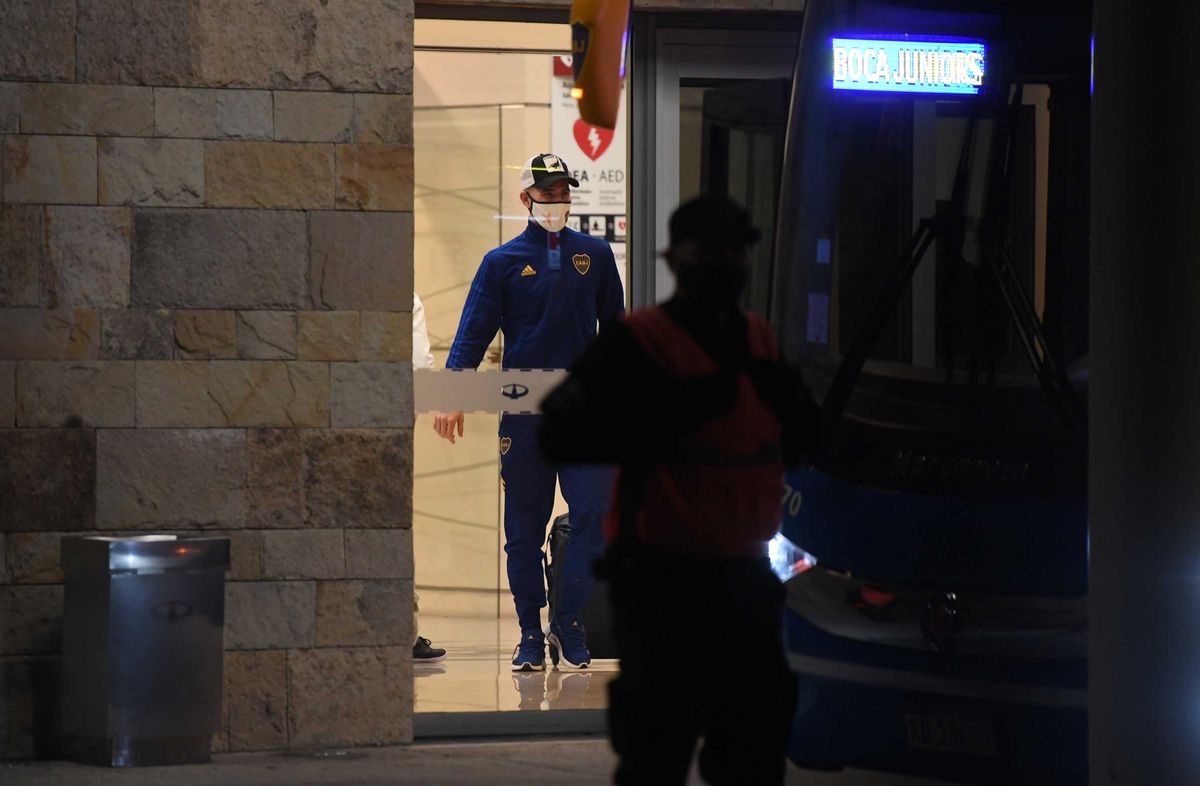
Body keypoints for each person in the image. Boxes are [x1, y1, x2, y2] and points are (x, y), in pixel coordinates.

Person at [538, 195, 820, 784]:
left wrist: (792, 407)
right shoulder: (640, 341)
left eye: (736, 253)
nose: (728, 266)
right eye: (713, 253)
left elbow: (801, 443)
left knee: (753, 751)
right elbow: (561, 430)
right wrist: (676, 410)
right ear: (679, 262)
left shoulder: (758, 340)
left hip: (745, 576)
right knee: (656, 755)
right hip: (664, 581)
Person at [433, 153, 625, 672]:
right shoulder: (502, 262)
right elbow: (473, 332)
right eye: (547, 191)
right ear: (526, 198)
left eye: (564, 190)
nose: (558, 200)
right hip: (524, 414)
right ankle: (529, 633)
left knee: (592, 515)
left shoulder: (596, 254)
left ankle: (569, 619)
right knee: (523, 529)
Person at [411, 292, 447, 663]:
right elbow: (419, 363)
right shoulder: (405, 294)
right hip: (391, 411)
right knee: (394, 522)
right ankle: (405, 632)